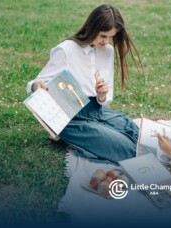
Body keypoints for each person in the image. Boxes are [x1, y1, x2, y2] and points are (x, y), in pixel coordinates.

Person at [26, 4, 142, 163]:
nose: (106, 41)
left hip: (97, 111)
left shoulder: (107, 51)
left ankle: (85, 141)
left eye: (111, 37)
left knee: (138, 136)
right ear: (92, 28)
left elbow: (105, 100)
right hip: (71, 119)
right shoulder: (67, 50)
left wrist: (102, 94)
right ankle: (70, 138)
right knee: (127, 150)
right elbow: (36, 83)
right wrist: (36, 86)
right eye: (103, 36)